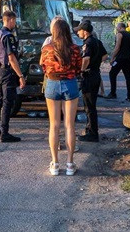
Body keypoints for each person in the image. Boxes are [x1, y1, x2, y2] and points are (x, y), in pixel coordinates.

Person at [40, 19, 82, 175]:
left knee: (54, 125)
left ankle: (55, 164)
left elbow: (43, 66)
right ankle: (70, 164)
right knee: (69, 125)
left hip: (52, 84)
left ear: (54, 31)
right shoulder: (75, 49)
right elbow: (78, 68)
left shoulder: (47, 49)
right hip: (70, 84)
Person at [0, 10, 24, 142]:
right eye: (14, 21)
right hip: (7, 72)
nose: (15, 23)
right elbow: (11, 58)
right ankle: (4, 133)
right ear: (10, 20)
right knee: (7, 102)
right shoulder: (8, 36)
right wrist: (20, 75)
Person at [75, 21, 108, 142]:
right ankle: (90, 129)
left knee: (89, 106)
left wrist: (81, 71)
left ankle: (92, 133)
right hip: (95, 74)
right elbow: (105, 56)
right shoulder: (97, 41)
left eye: (79, 30)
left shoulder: (87, 43)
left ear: (84, 31)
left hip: (88, 76)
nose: (77, 32)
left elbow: (86, 59)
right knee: (91, 105)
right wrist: (96, 62)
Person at [106, 22, 130, 102]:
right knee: (128, 77)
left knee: (112, 73)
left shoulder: (119, 34)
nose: (116, 28)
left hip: (120, 58)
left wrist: (112, 58)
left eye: (117, 27)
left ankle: (113, 93)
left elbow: (117, 47)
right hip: (128, 58)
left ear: (120, 27)